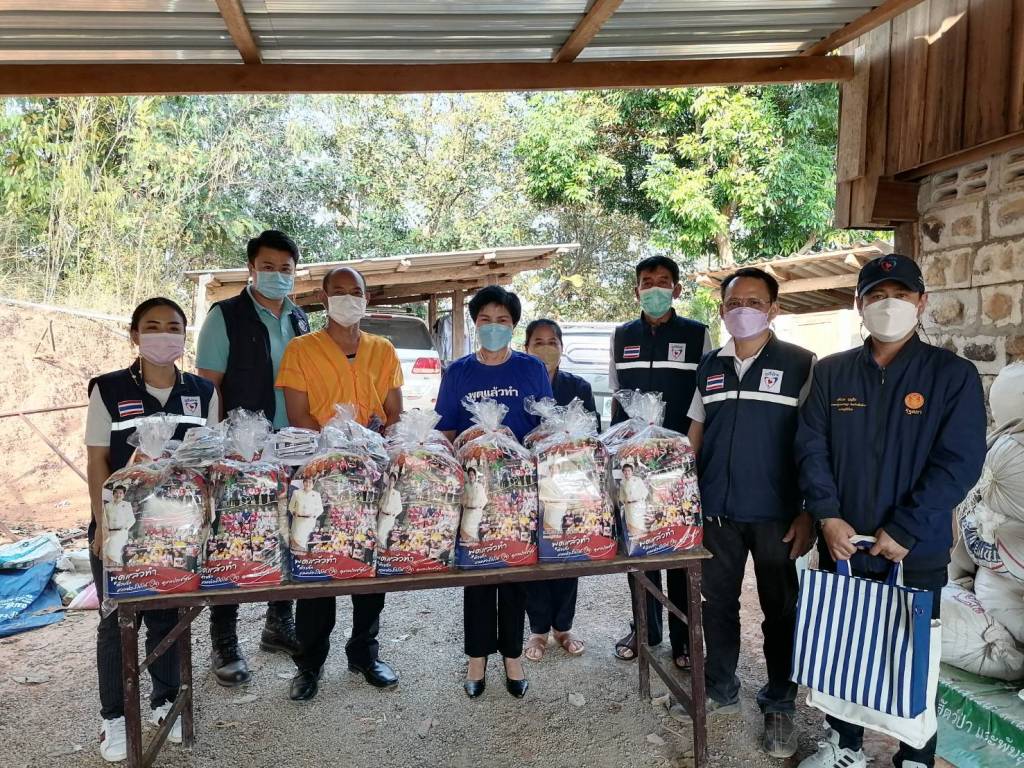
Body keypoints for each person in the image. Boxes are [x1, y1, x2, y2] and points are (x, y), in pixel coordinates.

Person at [795, 254, 987, 768]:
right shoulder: (832, 372)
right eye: (877, 296)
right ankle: (845, 746)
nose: (889, 305)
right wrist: (827, 517)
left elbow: (960, 461)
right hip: (843, 544)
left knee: (913, 654)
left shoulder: (952, 375)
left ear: (921, 302)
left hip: (915, 548)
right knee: (843, 646)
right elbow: (811, 449)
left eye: (901, 295)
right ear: (859, 304)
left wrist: (905, 527)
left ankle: (916, 755)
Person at [685, 267, 815, 758]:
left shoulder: (801, 364)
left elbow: (815, 443)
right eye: (734, 303)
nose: (744, 310)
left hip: (777, 514)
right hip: (717, 511)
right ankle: (720, 687)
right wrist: (680, 498)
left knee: (780, 610)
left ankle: (780, 703)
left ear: (773, 309)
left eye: (754, 302)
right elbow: (695, 434)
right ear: (722, 311)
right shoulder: (709, 366)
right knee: (716, 604)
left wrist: (808, 513)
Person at [85, 298, 219, 762]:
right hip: (121, 525)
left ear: (185, 335)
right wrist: (104, 524)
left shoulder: (203, 391)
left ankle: (165, 703)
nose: (165, 335)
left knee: (168, 616)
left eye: (174, 327)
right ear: (135, 335)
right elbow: (97, 460)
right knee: (116, 621)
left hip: (177, 528)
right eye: (153, 326)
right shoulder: (108, 388)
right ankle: (115, 717)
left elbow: (209, 461)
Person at [276, 266, 403, 701]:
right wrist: (338, 448)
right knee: (318, 568)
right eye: (339, 291)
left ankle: (364, 653)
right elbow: (298, 416)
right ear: (323, 298)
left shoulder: (383, 349)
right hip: (319, 475)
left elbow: (393, 412)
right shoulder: (301, 350)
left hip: (371, 474)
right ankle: (309, 664)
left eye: (356, 292)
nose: (349, 298)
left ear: (367, 299)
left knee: (370, 567)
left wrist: (373, 446)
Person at [196, 229, 309, 685]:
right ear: (251, 269)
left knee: (287, 527)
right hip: (240, 449)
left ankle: (278, 623)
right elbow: (208, 386)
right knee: (232, 535)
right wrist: (221, 447)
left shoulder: (299, 317)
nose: (277, 275)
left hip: (292, 443)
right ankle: (224, 639)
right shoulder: (225, 316)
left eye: (285, 269)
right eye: (268, 267)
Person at [434, 285, 553, 699]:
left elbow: (544, 427)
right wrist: (474, 442)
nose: (493, 327)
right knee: (478, 573)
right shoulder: (458, 372)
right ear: (475, 324)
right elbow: (446, 431)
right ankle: (476, 657)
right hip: (475, 489)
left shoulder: (531, 369)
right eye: (485, 320)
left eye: (502, 320)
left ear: (513, 326)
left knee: (515, 573)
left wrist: (515, 444)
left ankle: (513, 657)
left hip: (518, 489)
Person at [608, 255, 710, 668]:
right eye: (646, 281)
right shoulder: (622, 336)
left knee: (680, 551)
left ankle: (684, 639)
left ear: (677, 289)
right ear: (636, 290)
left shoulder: (697, 334)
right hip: (634, 464)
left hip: (677, 464)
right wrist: (615, 457)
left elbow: (703, 400)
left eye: (663, 281)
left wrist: (689, 456)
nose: (654, 288)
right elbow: (616, 398)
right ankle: (644, 630)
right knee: (639, 548)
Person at [522, 318, 601, 661]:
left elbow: (592, 434)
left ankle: (564, 628)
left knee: (569, 552)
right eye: (538, 342)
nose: (545, 348)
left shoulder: (578, 387)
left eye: (552, 342)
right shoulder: (521, 385)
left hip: (569, 483)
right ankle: (538, 631)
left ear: (561, 347)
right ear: (526, 348)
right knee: (534, 557)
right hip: (531, 485)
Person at [288, 476, 322, 553]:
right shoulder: (296, 493)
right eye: (306, 481)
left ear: (313, 485)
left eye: (310, 482)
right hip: (298, 522)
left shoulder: (316, 495)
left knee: (308, 541)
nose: (308, 484)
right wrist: (294, 512)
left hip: (310, 522)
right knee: (297, 542)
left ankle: (308, 556)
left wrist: (313, 515)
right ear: (303, 483)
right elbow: (291, 506)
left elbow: (320, 509)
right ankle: (297, 556)